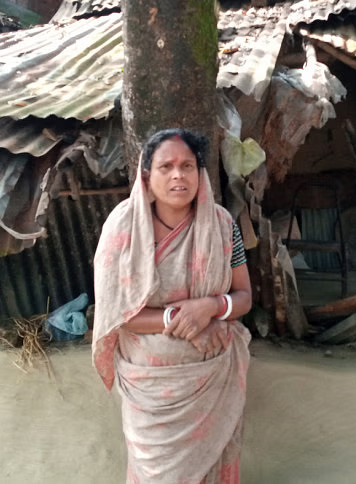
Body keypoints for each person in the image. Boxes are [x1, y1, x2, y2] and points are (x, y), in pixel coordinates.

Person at [92, 128, 252, 484]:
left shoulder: (223, 226)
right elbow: (118, 312)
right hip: (151, 385)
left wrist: (210, 307)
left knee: (214, 464)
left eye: (187, 166)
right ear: (147, 177)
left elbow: (244, 297)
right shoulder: (123, 227)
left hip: (212, 375)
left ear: (200, 173)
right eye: (166, 167)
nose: (178, 175)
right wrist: (182, 319)